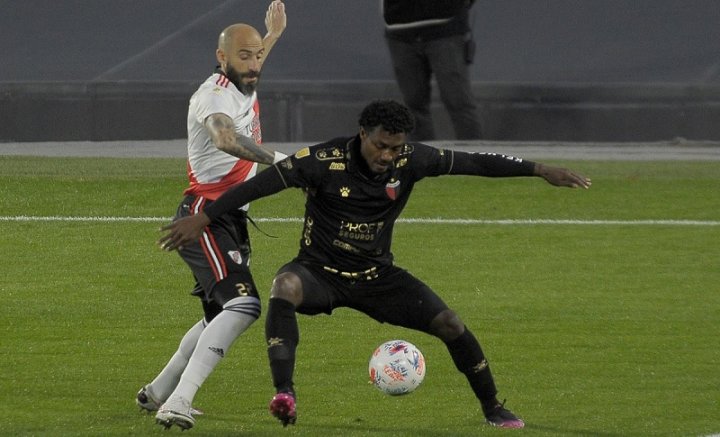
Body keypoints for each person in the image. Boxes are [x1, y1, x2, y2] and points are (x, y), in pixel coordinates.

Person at [158, 100, 591, 429]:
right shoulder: (321, 160)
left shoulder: (413, 160)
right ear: (362, 133)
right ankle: (285, 394)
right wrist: (205, 217)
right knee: (283, 286)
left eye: (395, 147)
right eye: (381, 145)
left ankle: (493, 407)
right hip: (319, 272)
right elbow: (263, 186)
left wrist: (540, 169)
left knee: (451, 324)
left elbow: (475, 162)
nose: (387, 155)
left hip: (375, 277)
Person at [135, 1, 287, 431]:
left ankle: (159, 391)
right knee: (243, 305)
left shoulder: (243, 80)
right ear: (221, 58)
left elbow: (252, 65)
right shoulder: (213, 95)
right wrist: (283, 162)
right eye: (245, 55)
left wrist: (271, 34)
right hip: (205, 215)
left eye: (258, 54)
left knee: (215, 315)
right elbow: (224, 137)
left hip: (229, 218)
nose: (255, 62)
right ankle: (179, 401)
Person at [382, 0, 482, 141]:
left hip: (446, 26)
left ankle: (474, 160)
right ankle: (422, 161)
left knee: (458, 102)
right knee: (413, 105)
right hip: (398, 27)